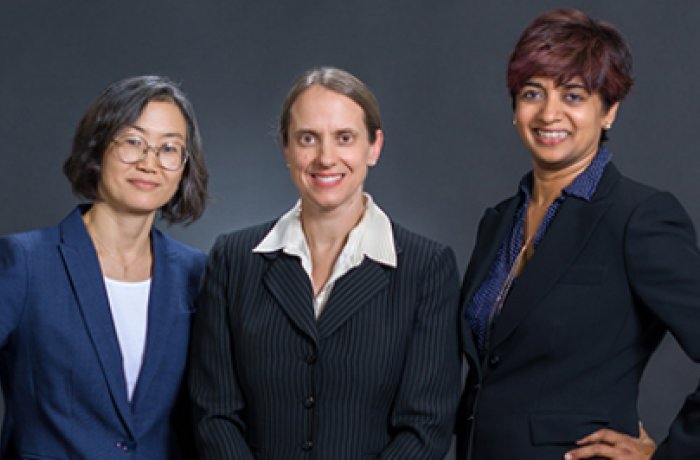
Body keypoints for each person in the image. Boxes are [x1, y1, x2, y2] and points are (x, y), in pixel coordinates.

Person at [456, 8, 700, 460]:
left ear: (608, 111)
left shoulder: (640, 218)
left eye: (573, 95)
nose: (550, 113)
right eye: (533, 93)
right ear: (514, 108)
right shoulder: (497, 221)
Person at [189, 66, 461, 459]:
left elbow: (427, 426)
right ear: (286, 147)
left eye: (344, 138)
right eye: (307, 138)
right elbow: (213, 413)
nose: (325, 157)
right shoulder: (233, 260)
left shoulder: (426, 268)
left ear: (374, 146)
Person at [0, 75, 208, 458]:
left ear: (183, 168)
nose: (150, 162)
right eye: (133, 141)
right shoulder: (23, 262)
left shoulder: (196, 275)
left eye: (169, 149)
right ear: (98, 148)